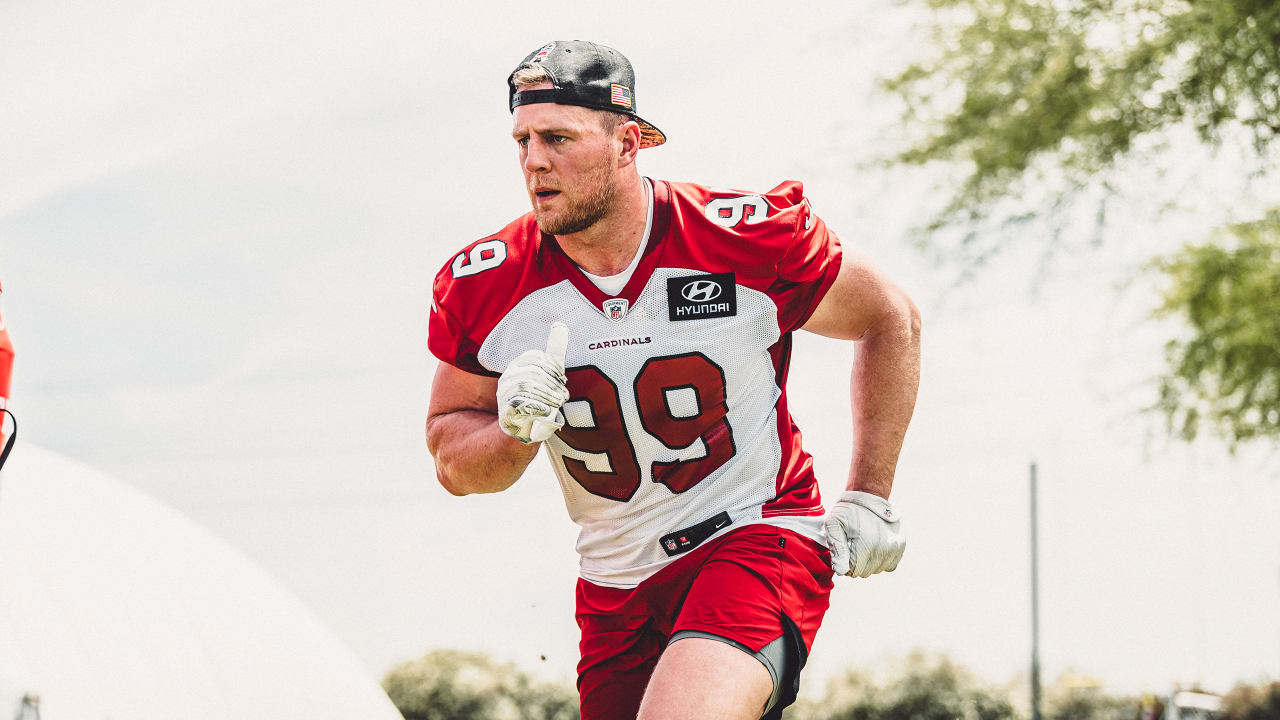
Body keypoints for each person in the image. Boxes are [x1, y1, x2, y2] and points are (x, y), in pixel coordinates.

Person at [426, 40, 921, 720]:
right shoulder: (486, 283)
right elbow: (455, 464)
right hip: (613, 581)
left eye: (558, 137)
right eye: (523, 140)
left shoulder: (740, 237)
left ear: (628, 143)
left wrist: (871, 493)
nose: (534, 160)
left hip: (754, 533)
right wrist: (512, 431)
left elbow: (889, 316)